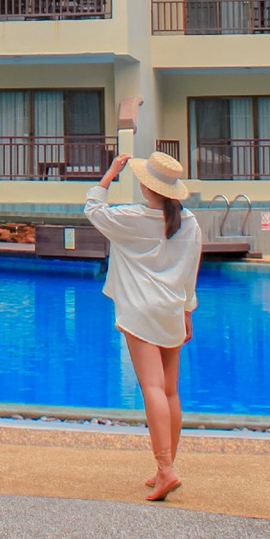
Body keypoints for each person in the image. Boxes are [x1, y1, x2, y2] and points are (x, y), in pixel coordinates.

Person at [85, 150, 200, 501]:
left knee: (152, 387)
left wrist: (110, 174)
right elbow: (190, 273)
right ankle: (166, 467)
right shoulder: (190, 223)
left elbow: (93, 209)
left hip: (140, 310)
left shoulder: (132, 218)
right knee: (170, 390)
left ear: (146, 186)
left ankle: (166, 469)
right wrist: (187, 312)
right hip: (170, 310)